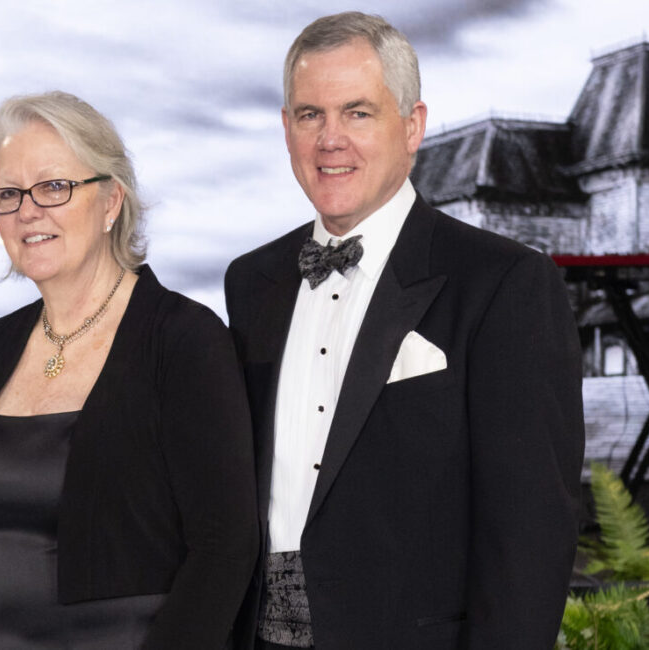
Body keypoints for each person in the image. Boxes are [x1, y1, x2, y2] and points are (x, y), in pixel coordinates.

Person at [224, 12, 584, 649]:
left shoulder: (505, 284)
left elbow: (530, 534)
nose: (330, 139)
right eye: (310, 115)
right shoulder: (250, 283)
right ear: (286, 130)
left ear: (412, 126)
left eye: (358, 113)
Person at [0, 91, 258, 648]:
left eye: (54, 187)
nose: (28, 211)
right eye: (8, 193)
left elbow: (225, 548)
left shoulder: (184, 339)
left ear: (112, 202)